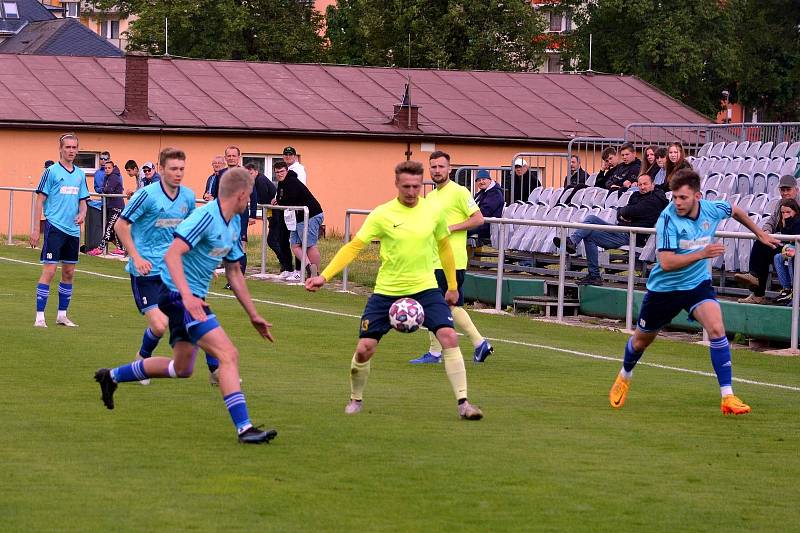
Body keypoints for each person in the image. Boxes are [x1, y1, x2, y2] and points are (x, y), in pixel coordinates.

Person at [94, 167, 278, 444]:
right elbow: (172, 255)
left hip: (186, 297)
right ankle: (244, 428)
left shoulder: (232, 224)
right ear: (241, 195)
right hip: (178, 296)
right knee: (228, 354)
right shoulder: (206, 217)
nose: (250, 202)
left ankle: (111, 376)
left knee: (182, 369)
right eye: (250, 196)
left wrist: (253, 314)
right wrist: (187, 296)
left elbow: (234, 273)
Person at [304, 160, 484, 420]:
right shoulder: (382, 214)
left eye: (415, 186)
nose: (411, 192)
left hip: (425, 288)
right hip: (387, 292)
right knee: (365, 348)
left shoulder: (433, 212)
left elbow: (445, 247)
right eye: (406, 186)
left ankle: (464, 403)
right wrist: (324, 276)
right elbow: (355, 247)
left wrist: (452, 286)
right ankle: (355, 398)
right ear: (397, 185)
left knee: (449, 337)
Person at [608, 169, 779, 415]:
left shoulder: (711, 209)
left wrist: (760, 233)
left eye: (683, 198)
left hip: (697, 285)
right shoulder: (667, 219)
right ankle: (625, 375)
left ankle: (728, 396)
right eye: (675, 197)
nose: (677, 202)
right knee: (641, 340)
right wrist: (702, 253)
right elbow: (666, 262)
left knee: (717, 328)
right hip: (665, 289)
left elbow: (736, 210)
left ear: (697, 196)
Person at [113, 148, 196, 385]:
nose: (178, 173)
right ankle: (142, 358)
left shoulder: (188, 197)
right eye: (173, 169)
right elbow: (121, 226)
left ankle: (216, 370)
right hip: (146, 271)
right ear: (161, 169)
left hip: (173, 272)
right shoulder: (147, 195)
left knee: (194, 319)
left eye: (181, 169)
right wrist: (136, 257)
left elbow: (190, 230)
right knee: (160, 325)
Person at [410, 151, 493, 365]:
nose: (437, 170)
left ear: (450, 169)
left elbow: (478, 219)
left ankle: (475, 343)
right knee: (439, 305)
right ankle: (442, 351)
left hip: (452, 259)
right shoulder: (431, 196)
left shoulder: (459, 192)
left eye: (441, 166)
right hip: (433, 259)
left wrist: (452, 228)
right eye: (433, 167)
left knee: (447, 305)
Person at [554, 173, 668, 286]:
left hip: (633, 235)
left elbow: (631, 210)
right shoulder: (636, 195)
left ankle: (592, 273)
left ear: (653, 184)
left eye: (645, 184)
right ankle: (573, 242)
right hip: (622, 229)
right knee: (591, 219)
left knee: (588, 233)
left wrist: (626, 212)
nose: (642, 187)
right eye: (640, 184)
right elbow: (621, 212)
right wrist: (625, 213)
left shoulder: (656, 199)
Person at [30, 132, 90, 328]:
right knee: (49, 270)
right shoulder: (52, 172)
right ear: (61, 149)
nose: (71, 150)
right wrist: (34, 227)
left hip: (73, 231)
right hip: (55, 226)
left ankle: (62, 315)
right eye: (68, 147)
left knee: (69, 272)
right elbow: (40, 200)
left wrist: (82, 214)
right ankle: (40, 317)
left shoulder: (80, 174)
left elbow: (83, 201)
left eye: (74, 147)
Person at [735, 175, 799, 304]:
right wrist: (765, 232)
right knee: (762, 243)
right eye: (782, 190)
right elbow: (771, 221)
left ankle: (757, 284)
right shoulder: (780, 204)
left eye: (788, 190)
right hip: (786, 244)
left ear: (796, 190)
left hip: (796, 245)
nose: (785, 193)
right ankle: (757, 292)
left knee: (764, 246)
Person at [274, 160, 324, 281]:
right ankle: (308, 267)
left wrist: (280, 201)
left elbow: (287, 201)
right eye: (277, 172)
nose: (279, 174)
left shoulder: (291, 181)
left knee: (309, 245)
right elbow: (282, 199)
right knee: (295, 245)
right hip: (298, 218)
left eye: (281, 171)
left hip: (311, 215)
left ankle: (316, 273)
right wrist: (280, 200)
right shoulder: (281, 183)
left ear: (287, 170)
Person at [246, 162, 293, 277]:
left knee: (273, 240)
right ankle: (286, 265)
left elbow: (262, 199)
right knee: (277, 240)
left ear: (256, 172)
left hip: (276, 213)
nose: (248, 176)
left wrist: (253, 200)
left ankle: (286, 265)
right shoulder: (254, 181)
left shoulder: (260, 180)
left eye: (250, 173)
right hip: (272, 213)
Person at [87, 160, 126, 257]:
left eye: (109, 168)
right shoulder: (107, 177)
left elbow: (108, 190)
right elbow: (104, 188)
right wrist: (102, 189)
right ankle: (120, 249)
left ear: (113, 168)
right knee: (112, 228)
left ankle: (100, 248)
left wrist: (102, 190)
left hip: (116, 206)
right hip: (110, 205)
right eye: (106, 168)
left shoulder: (114, 177)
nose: (107, 170)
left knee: (108, 227)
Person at [771, 198, 800, 306]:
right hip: (791, 248)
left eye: (788, 212)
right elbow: (785, 238)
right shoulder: (784, 221)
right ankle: (786, 289)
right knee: (778, 257)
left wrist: (787, 222)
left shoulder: (798, 221)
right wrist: (784, 223)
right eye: (783, 212)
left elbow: (793, 237)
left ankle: (795, 290)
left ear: (795, 211)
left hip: (798, 249)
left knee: (791, 256)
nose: (785, 214)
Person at [471, 169, 504, 246]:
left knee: (460, 229)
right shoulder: (482, 193)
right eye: (478, 180)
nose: (481, 182)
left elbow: (485, 212)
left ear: (490, 180)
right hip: (479, 222)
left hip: (487, 226)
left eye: (483, 179)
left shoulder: (495, 193)